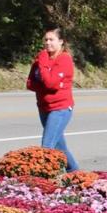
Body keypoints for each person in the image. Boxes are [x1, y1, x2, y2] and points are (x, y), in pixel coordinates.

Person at [25, 27, 78, 172]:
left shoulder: (64, 59)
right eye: (46, 40)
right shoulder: (40, 59)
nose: (48, 43)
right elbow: (30, 83)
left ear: (61, 42)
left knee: (47, 147)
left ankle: (42, 183)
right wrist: (47, 84)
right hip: (44, 107)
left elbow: (50, 83)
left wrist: (44, 67)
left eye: (51, 39)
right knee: (60, 147)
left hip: (60, 108)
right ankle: (76, 174)